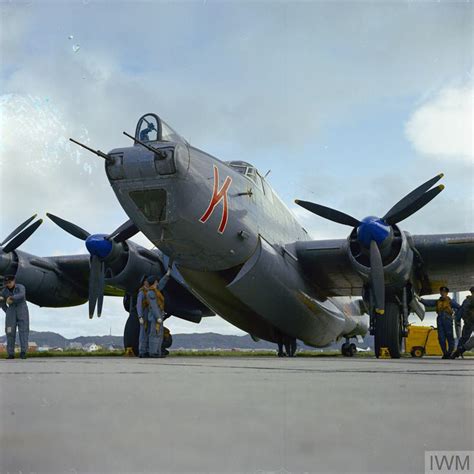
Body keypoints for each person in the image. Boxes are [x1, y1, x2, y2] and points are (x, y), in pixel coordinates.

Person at [420, 286, 460, 359]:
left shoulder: (451, 301)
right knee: (441, 338)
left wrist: (456, 316)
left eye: (444, 292)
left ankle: (450, 353)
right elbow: (428, 303)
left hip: (447, 319)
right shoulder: (437, 301)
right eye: (442, 292)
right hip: (440, 320)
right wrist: (420, 300)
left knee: (449, 336)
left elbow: (459, 307)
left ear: (447, 293)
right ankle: (445, 353)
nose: (443, 293)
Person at [0, 275, 29, 359]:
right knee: (10, 332)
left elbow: (21, 295)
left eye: (9, 282)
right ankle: (10, 354)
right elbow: (2, 302)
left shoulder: (20, 287)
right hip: (11, 312)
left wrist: (11, 297)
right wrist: (8, 311)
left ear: (14, 281)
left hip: (22, 311)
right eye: (6, 283)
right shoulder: (4, 291)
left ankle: (23, 352)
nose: (8, 284)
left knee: (23, 332)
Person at [146, 268, 172, 358]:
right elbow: (153, 306)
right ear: (154, 282)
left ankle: (158, 352)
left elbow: (162, 284)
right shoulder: (151, 293)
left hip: (159, 316)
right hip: (155, 317)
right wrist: (158, 317)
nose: (158, 283)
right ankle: (153, 352)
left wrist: (167, 275)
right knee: (154, 334)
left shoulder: (156, 290)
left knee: (159, 335)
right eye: (157, 282)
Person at [451, 287, 474, 359]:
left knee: (464, 338)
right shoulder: (468, 301)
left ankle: (458, 351)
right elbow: (462, 310)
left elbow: (461, 310)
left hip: (468, 322)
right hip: (469, 322)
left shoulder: (467, 300)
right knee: (465, 338)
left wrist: (458, 320)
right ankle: (459, 351)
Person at [136, 276, 151, 358]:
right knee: (143, 334)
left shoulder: (150, 292)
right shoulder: (142, 293)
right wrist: (140, 316)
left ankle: (148, 350)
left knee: (149, 333)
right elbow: (139, 305)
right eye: (146, 281)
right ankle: (142, 351)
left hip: (149, 315)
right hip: (144, 314)